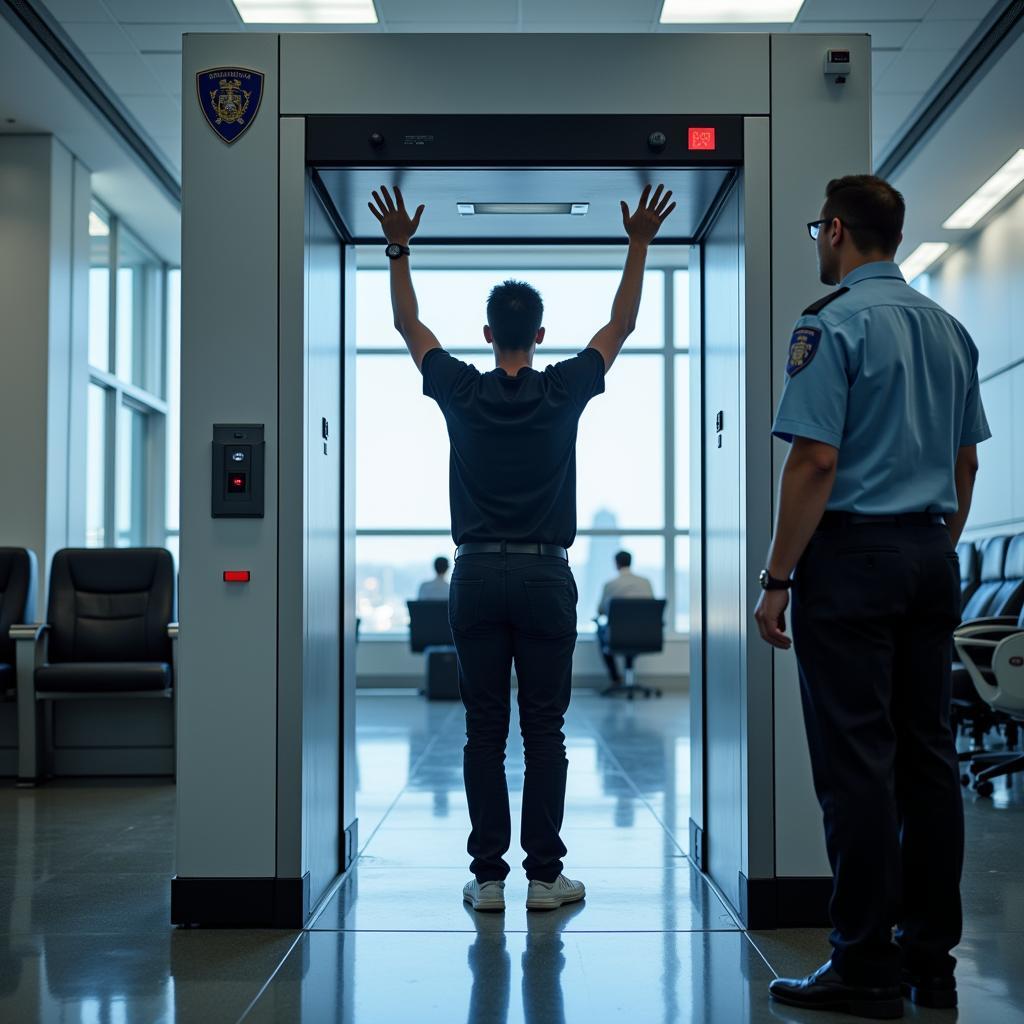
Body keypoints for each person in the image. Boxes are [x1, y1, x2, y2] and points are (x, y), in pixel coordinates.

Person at [368, 181, 675, 913]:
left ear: (486, 334)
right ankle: (544, 877)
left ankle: (488, 880)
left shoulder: (460, 390)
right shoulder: (563, 388)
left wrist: (400, 246)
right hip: (544, 577)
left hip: (474, 576)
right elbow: (621, 325)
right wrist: (637, 242)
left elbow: (408, 324)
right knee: (545, 732)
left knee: (482, 732)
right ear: (539, 335)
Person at [754, 175, 990, 1019]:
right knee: (929, 763)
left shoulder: (831, 324)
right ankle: (932, 963)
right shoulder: (949, 330)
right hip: (932, 554)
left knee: (858, 767)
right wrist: (933, 546)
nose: (819, 240)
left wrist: (778, 578)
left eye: (821, 227)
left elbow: (814, 462)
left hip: (852, 559)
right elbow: (965, 463)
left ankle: (862, 965)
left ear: (842, 231)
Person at [595, 550, 654, 685]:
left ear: (616, 564)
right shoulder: (646, 583)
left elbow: (601, 611)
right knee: (630, 638)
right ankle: (626, 679)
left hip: (618, 636)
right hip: (645, 635)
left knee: (600, 630)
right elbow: (652, 608)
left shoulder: (610, 585)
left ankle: (616, 678)